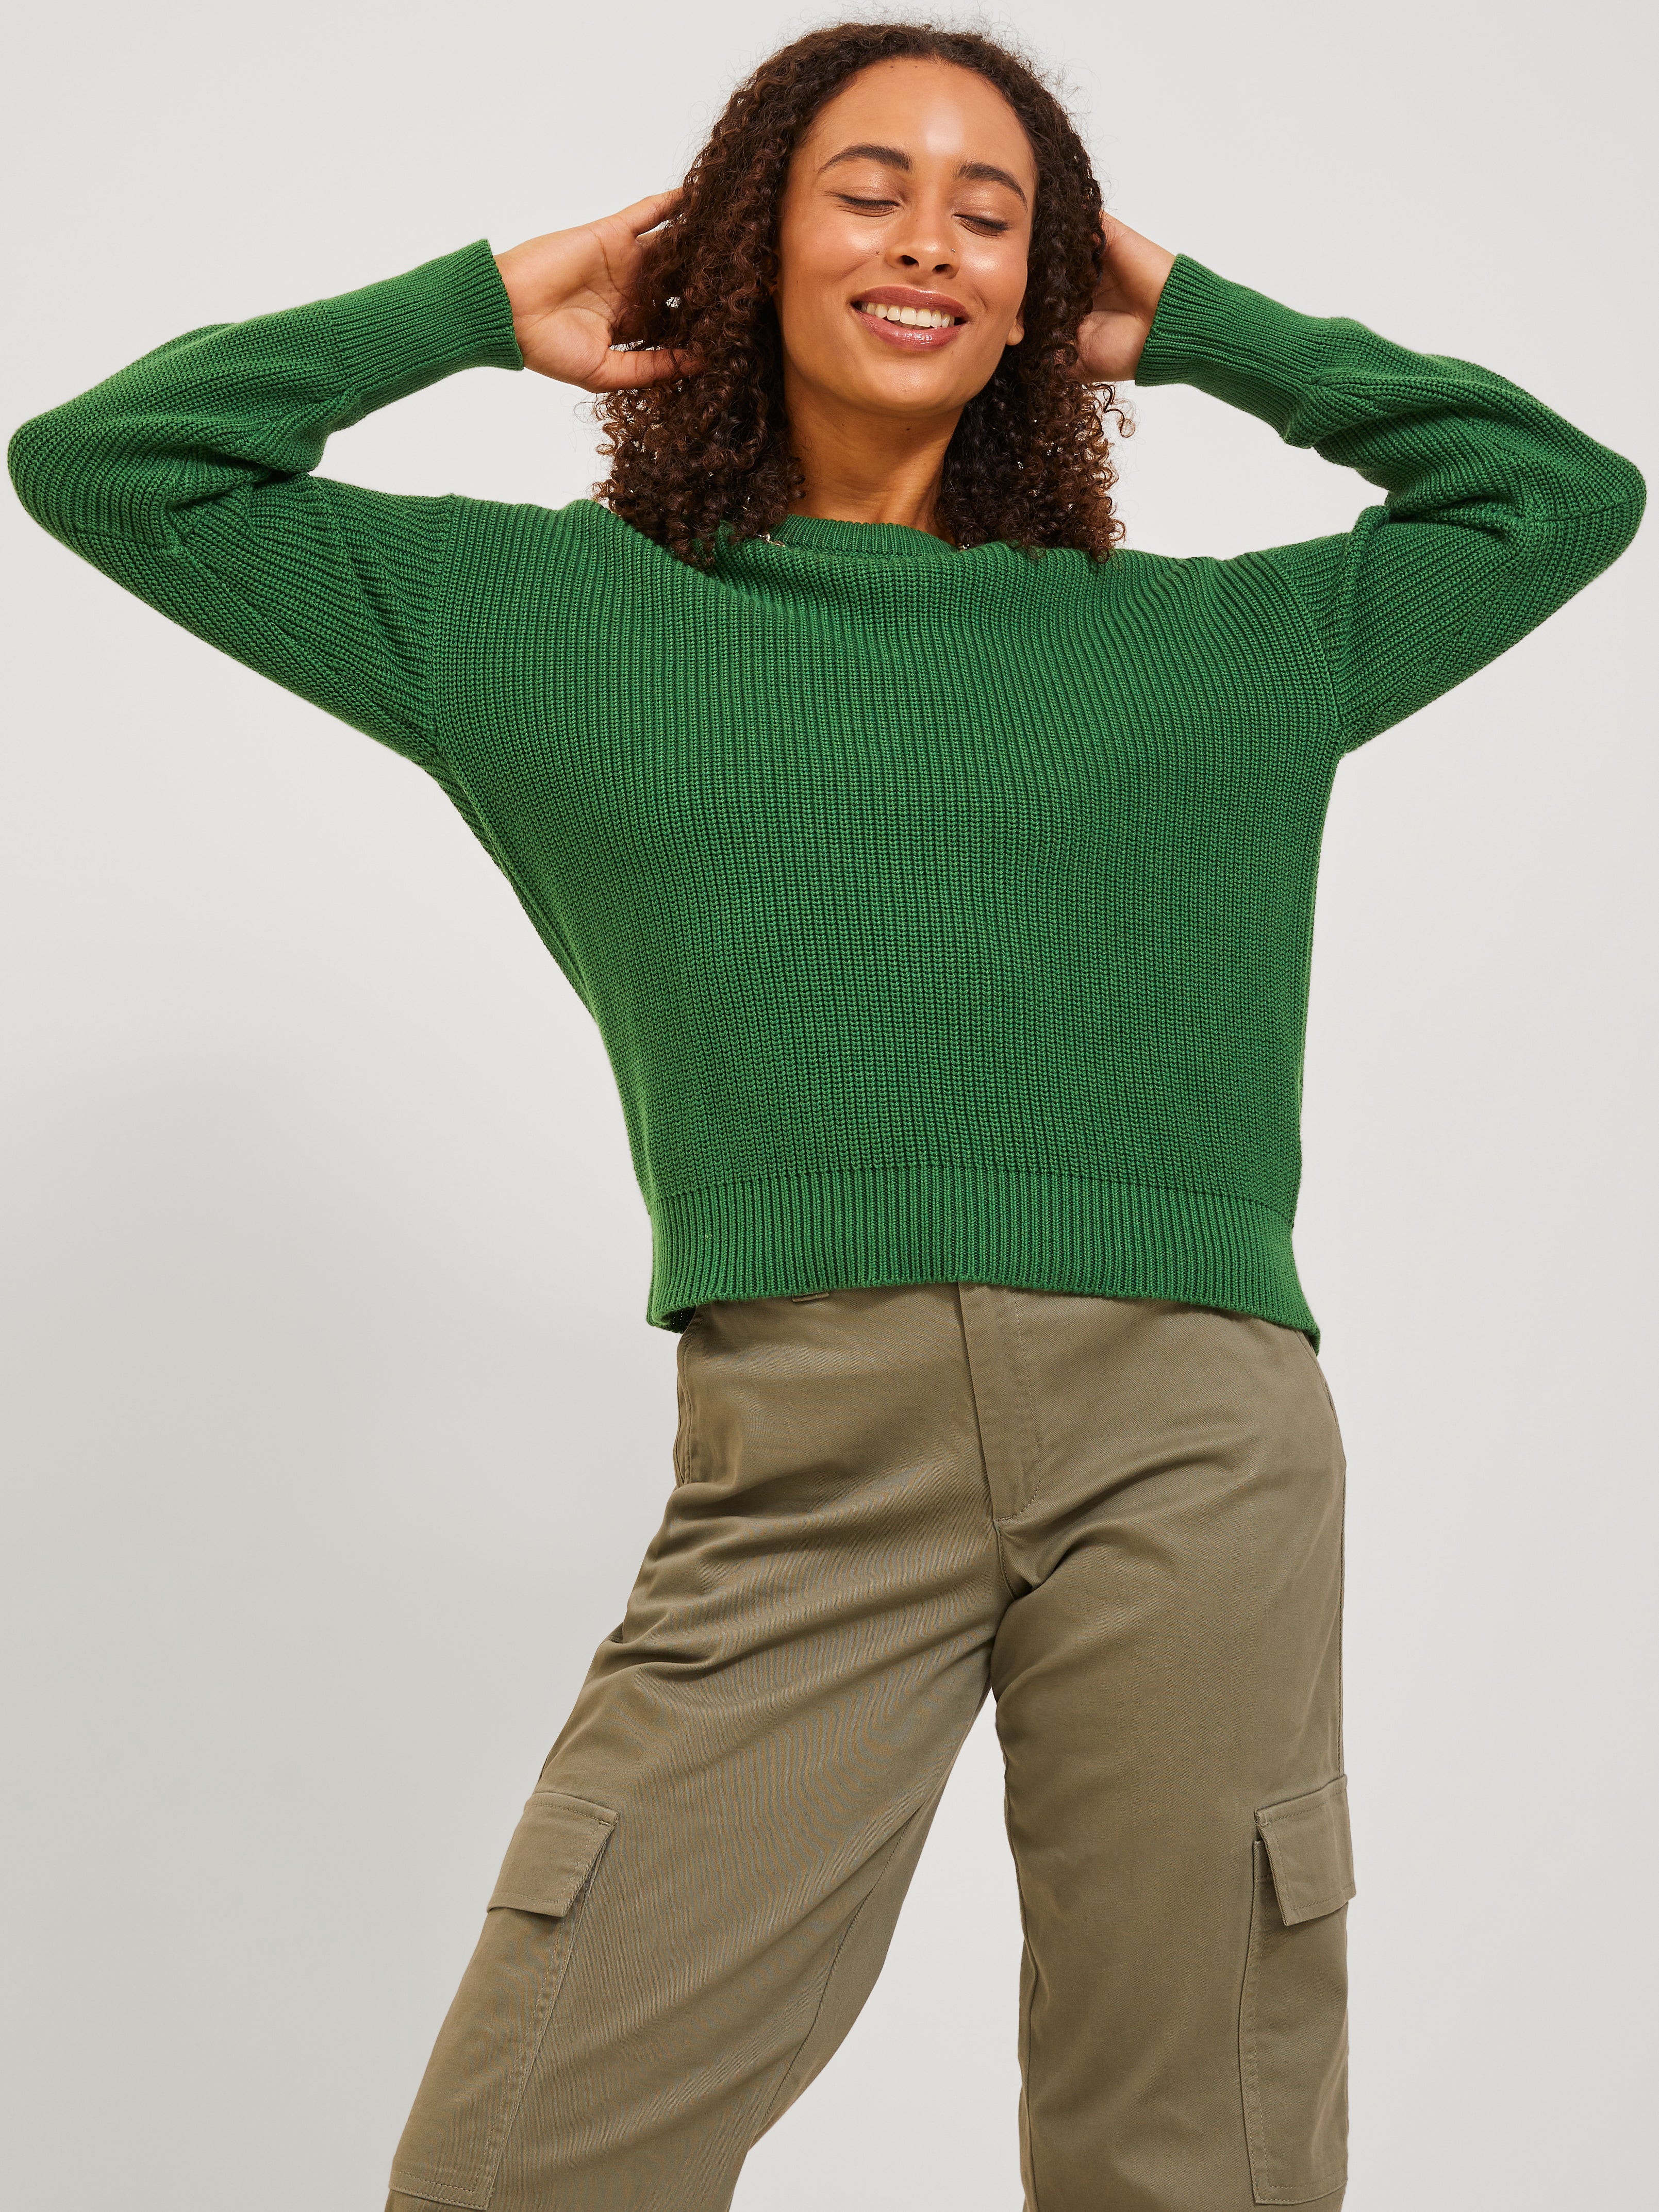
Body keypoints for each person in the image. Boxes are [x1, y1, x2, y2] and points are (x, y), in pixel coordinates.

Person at [9, 19, 1644, 2212]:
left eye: (994, 214)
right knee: (531, 2159)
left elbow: (1554, 495)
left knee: (1197, 2151)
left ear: (1049, 289)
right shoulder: (541, 615)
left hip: (1200, 1441)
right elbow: (117, 465)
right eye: (866, 190)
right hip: (802, 1449)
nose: (930, 242)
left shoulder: (1230, 645)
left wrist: (1200, 319)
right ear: (741, 240)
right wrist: (481, 304)